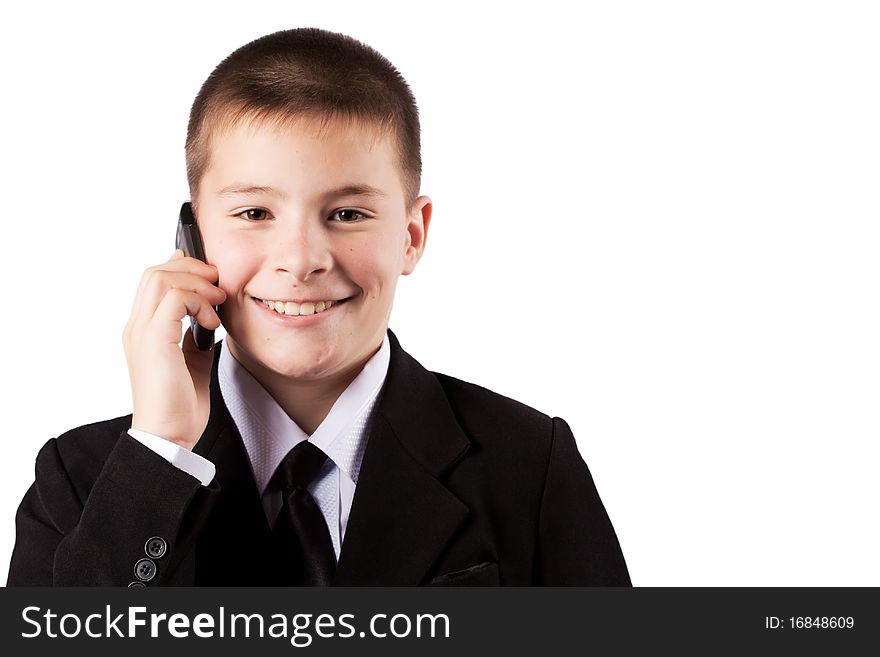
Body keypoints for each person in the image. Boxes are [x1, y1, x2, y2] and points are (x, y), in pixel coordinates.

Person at [7, 27, 630, 586]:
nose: (301, 259)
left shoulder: (528, 464)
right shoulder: (88, 478)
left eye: (348, 214)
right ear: (193, 238)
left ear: (411, 236)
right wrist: (162, 448)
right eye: (254, 213)